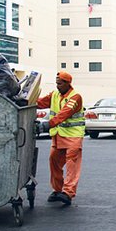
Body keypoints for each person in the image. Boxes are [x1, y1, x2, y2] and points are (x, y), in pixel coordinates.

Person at [37, 71, 85, 206]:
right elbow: (40, 103)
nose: (57, 86)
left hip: (73, 135)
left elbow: (64, 114)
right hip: (59, 135)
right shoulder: (54, 95)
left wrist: (47, 124)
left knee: (72, 163)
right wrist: (25, 99)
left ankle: (68, 193)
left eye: (59, 83)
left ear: (67, 84)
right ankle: (57, 190)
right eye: (56, 83)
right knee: (54, 160)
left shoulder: (75, 97)